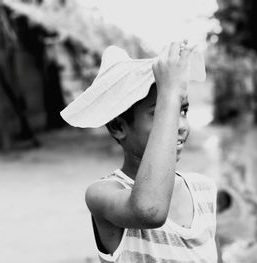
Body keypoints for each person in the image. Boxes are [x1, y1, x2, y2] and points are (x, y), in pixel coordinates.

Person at [61, 41, 218, 262]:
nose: (181, 125)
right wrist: (169, 93)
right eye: (161, 111)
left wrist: (170, 97)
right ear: (118, 127)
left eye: (182, 110)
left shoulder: (204, 190)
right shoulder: (102, 194)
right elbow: (150, 210)